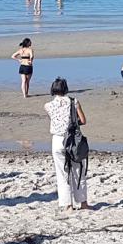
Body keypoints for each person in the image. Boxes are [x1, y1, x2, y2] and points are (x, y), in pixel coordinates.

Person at [44, 77, 90, 211]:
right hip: (72, 139)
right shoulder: (74, 102)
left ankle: (67, 205)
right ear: (65, 89)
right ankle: (83, 203)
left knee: (62, 173)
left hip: (58, 140)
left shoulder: (47, 105)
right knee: (78, 171)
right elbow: (83, 120)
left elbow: (54, 120)